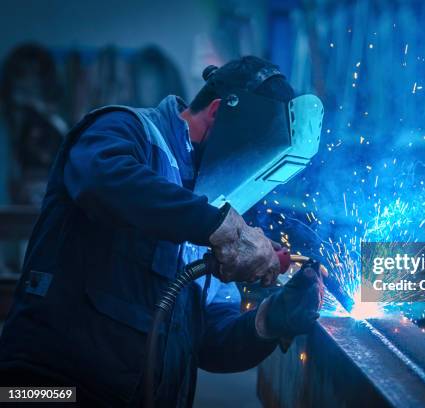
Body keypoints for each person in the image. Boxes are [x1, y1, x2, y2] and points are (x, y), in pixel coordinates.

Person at [0, 56, 324, 407]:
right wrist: (219, 228)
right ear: (218, 112)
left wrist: (270, 319)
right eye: (253, 156)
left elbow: (210, 343)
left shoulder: (213, 203)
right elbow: (101, 180)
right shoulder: (127, 130)